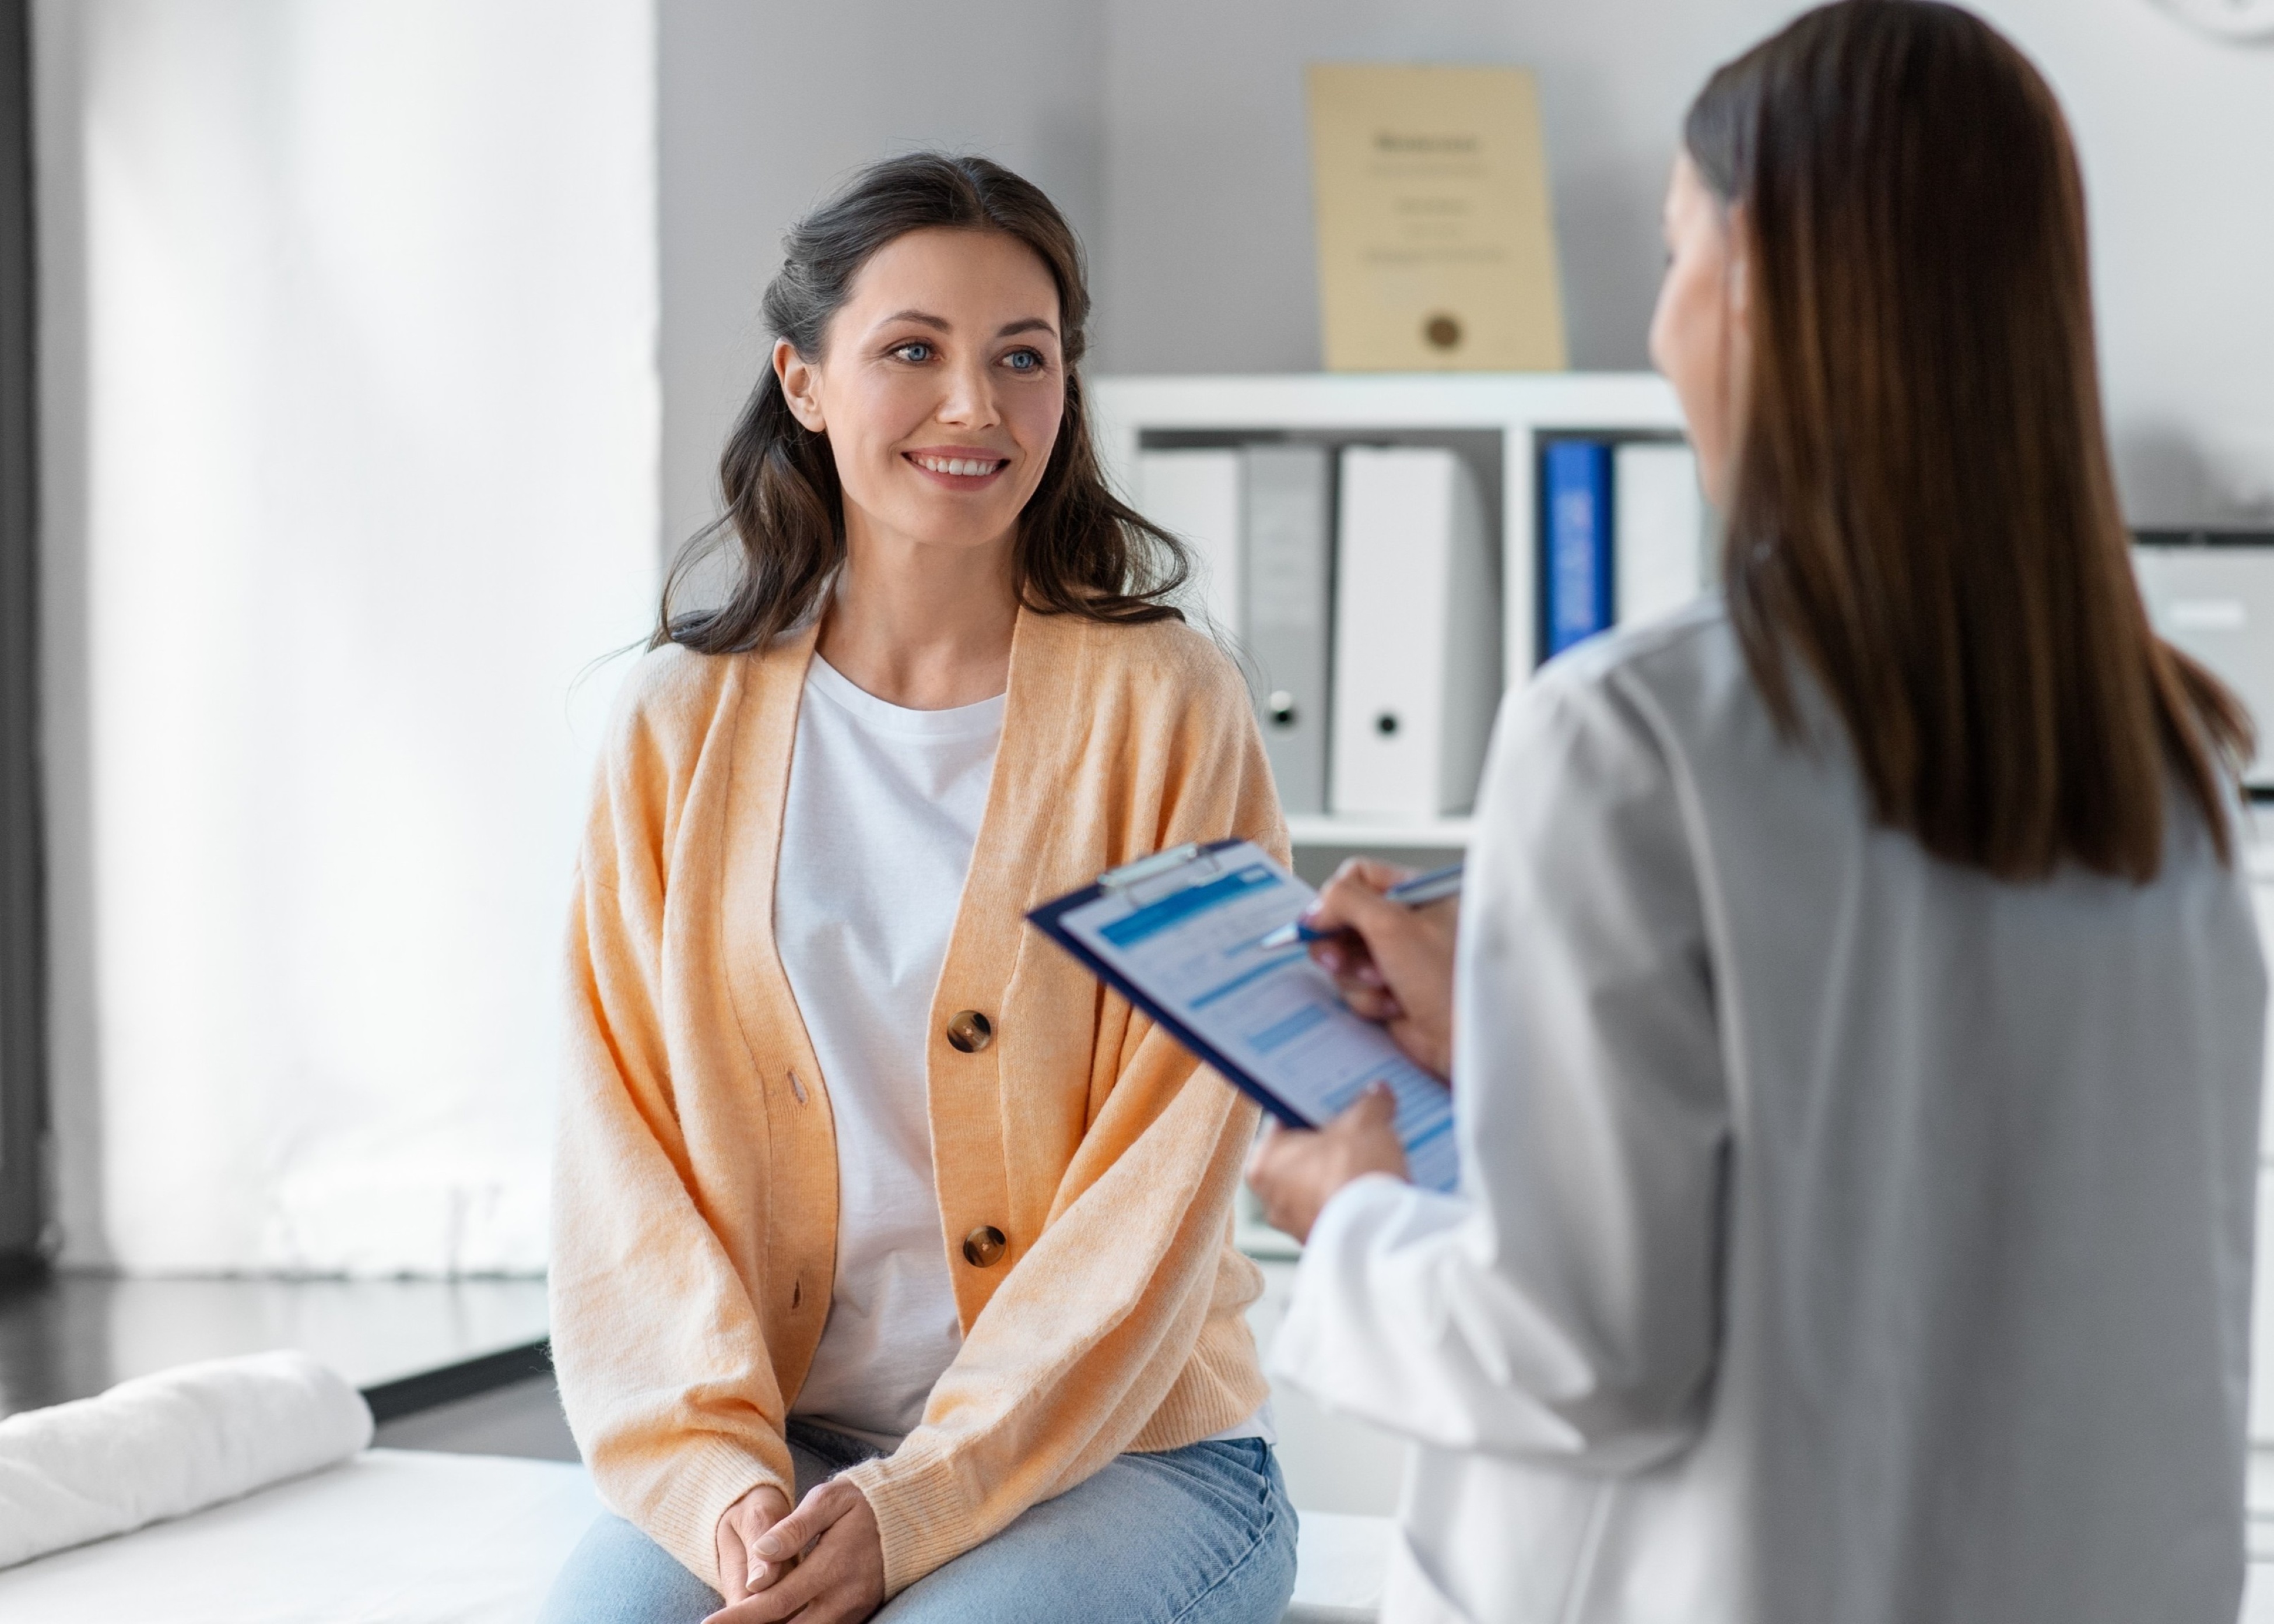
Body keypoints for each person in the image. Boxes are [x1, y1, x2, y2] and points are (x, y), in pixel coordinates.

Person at [1245, 5, 2266, 1622]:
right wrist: (1508, 1039)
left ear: (1768, 272)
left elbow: (1579, 1352)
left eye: (1673, 257)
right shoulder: (2171, 761)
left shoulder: (1631, 733)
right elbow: (1923, 1148)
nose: (1659, 332)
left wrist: (1346, 1216)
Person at [542, 153, 1297, 1624]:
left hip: (1132, 1455)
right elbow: (614, 1152)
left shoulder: (1172, 709)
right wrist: (725, 1487)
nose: (976, 407)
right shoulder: (674, 724)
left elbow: (1174, 1164)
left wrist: (921, 1507)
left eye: (1025, 357)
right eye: (912, 352)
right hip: (784, 1440)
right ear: (805, 380)